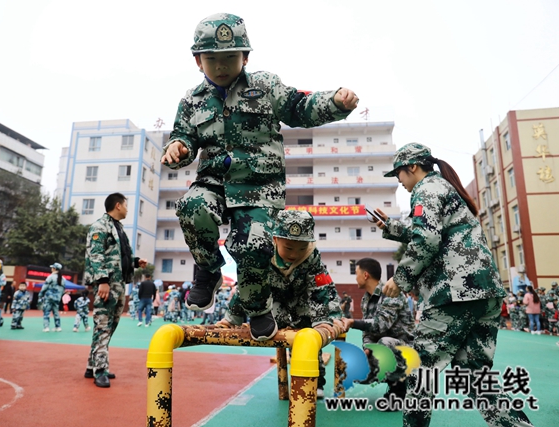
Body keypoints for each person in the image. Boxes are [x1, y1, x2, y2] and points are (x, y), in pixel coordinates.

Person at [161, 13, 358, 342]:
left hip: (259, 187)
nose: (221, 67)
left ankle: (256, 306)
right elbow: (183, 138)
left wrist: (336, 102)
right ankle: (207, 271)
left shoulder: (265, 86)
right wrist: (177, 149)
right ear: (198, 61)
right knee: (192, 205)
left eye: (230, 58)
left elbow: (300, 106)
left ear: (246, 57)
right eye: (212, 60)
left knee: (254, 246)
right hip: (214, 182)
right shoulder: (191, 101)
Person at [375, 143, 532, 425]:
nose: (399, 181)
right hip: (483, 292)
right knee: (475, 375)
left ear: (412, 167)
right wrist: (391, 227)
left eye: (399, 173)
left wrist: (401, 279)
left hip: (454, 293)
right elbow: (431, 231)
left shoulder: (427, 189)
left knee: (421, 372)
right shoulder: (443, 189)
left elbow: (427, 239)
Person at [222, 210, 342, 399]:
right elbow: (248, 287)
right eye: (289, 248)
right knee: (275, 327)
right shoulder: (262, 253)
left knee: (309, 336)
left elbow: (321, 287)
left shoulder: (312, 257)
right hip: (273, 301)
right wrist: (232, 319)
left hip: (302, 301)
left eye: (302, 248)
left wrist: (324, 321)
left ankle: (317, 382)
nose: (295, 254)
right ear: (276, 239)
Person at [83, 192, 147, 388]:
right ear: (118, 205)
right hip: (107, 285)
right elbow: (95, 254)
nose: (128, 209)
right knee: (103, 325)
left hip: (119, 284)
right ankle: (100, 370)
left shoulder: (118, 228)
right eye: (126, 205)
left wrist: (135, 262)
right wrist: (102, 280)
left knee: (109, 327)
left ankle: (91, 365)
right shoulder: (100, 226)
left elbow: (120, 255)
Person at [342, 258, 414, 404]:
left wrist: (352, 322)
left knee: (384, 343)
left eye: (356, 273)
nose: (355, 277)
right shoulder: (366, 299)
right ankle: (387, 378)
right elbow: (368, 332)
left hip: (406, 349)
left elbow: (380, 325)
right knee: (354, 370)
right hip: (385, 345)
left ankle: (399, 391)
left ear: (366, 275)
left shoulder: (391, 293)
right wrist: (367, 349)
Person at [40, 263, 65, 332]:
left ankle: (46, 327)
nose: (51, 269)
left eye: (52, 268)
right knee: (56, 312)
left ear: (54, 269)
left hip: (49, 297)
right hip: (57, 298)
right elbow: (63, 290)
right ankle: (58, 327)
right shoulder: (63, 279)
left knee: (46, 312)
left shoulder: (51, 276)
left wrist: (40, 294)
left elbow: (45, 286)